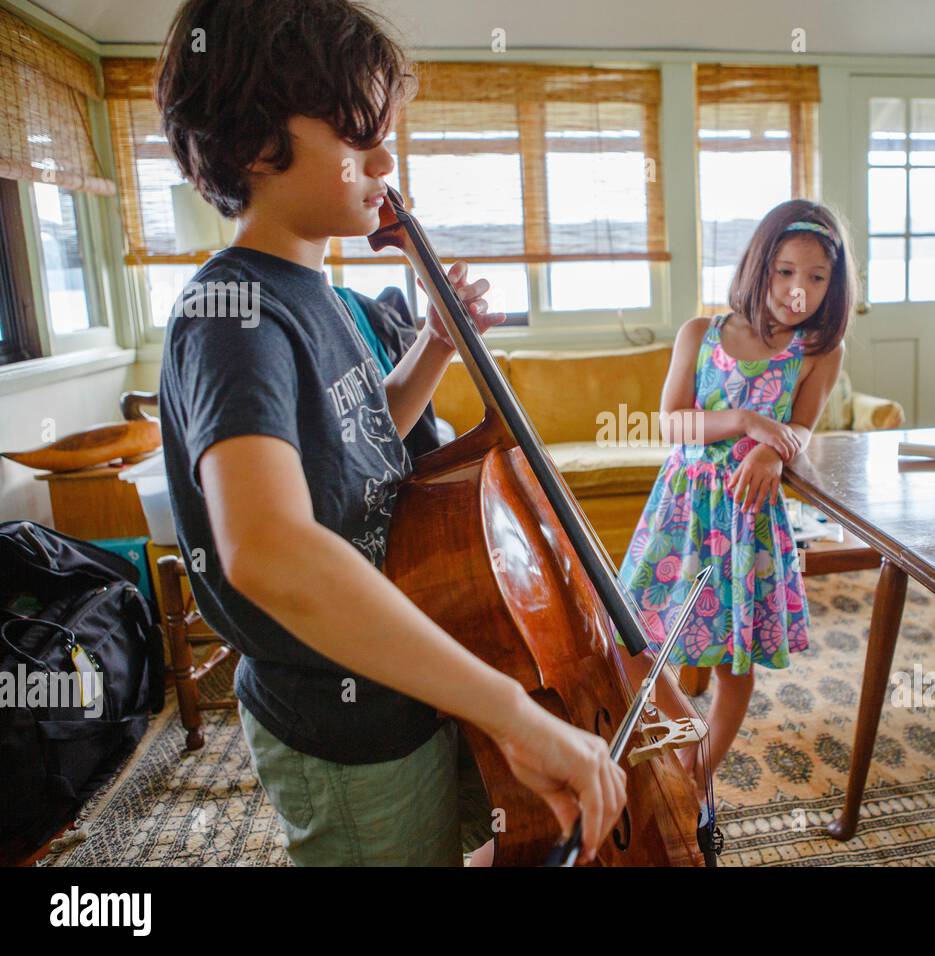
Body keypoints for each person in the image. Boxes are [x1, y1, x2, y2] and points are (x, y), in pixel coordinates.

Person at [155, 0, 625, 866]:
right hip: (346, 724)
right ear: (259, 145)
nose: (386, 160)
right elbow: (268, 549)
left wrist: (433, 351)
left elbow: (361, 443)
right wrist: (507, 708)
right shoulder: (230, 315)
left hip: (412, 672)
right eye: (358, 135)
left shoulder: (326, 299)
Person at [618, 199, 856, 801]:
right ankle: (631, 760)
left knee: (733, 664)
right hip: (683, 512)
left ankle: (698, 774)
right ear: (758, 265)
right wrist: (747, 422)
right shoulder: (701, 334)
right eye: (784, 271)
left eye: (816, 277)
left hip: (747, 521)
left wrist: (774, 452)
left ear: (834, 285)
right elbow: (673, 424)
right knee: (642, 644)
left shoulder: (819, 353)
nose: (798, 290)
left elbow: (801, 428)